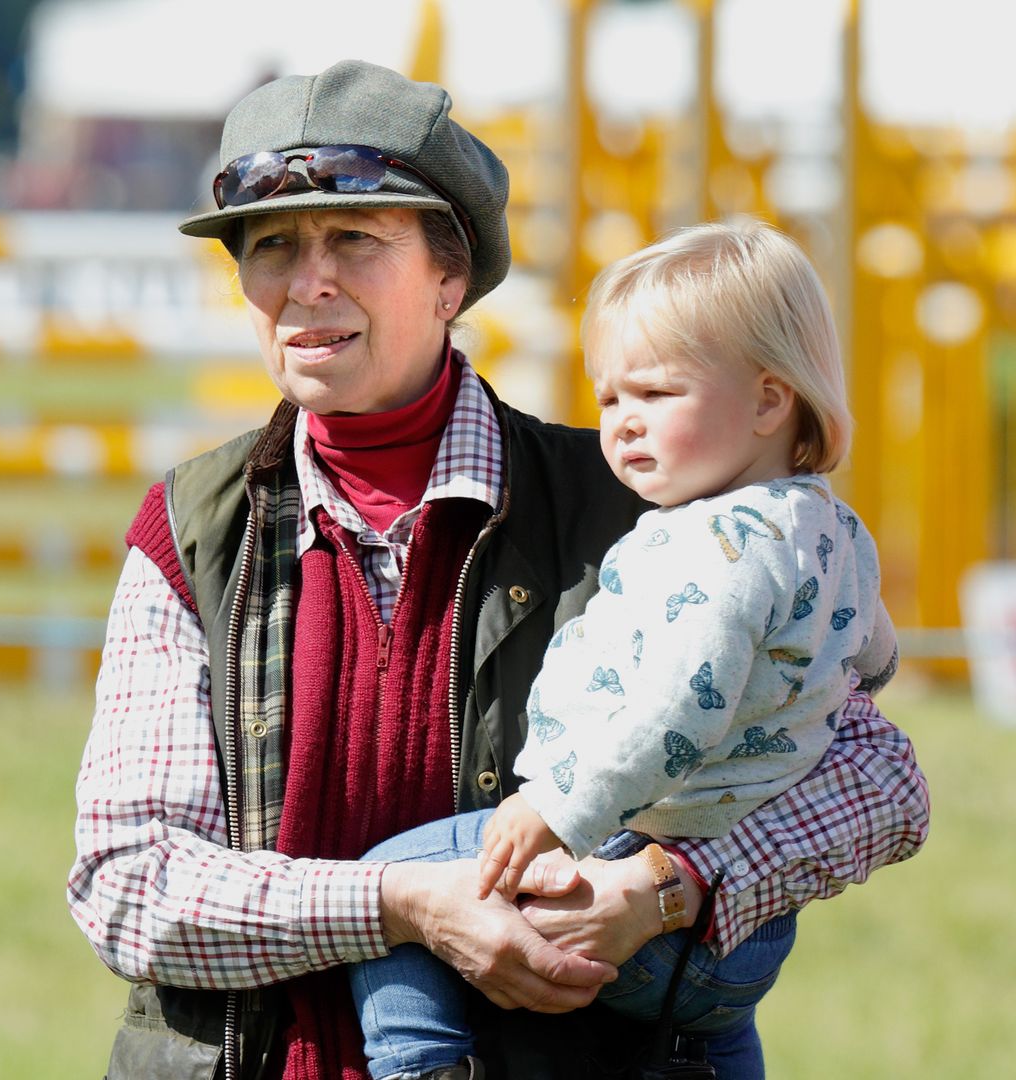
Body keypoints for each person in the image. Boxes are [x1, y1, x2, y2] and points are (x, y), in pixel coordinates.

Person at [67, 60, 929, 1080]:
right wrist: (401, 904)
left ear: (452, 277)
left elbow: (880, 783)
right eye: (271, 245)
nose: (307, 282)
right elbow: (128, 886)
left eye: (354, 237)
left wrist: (668, 886)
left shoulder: (651, 507)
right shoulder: (189, 531)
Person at [345, 220, 901, 1080]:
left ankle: (418, 1061)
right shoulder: (833, 526)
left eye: (656, 393)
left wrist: (559, 809)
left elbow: (675, 715)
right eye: (609, 399)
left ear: (769, 401)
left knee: (391, 880)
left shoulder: (718, 549)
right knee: (710, 1031)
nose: (624, 424)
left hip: (628, 863)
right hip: (745, 928)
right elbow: (874, 657)